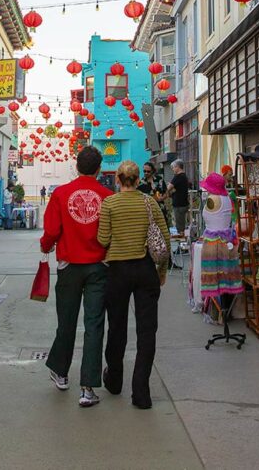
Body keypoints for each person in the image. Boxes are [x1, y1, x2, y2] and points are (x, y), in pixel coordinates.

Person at [41, 146, 113, 408]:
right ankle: (88, 387)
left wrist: (45, 244)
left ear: (76, 166)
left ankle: (61, 372)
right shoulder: (107, 196)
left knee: (67, 320)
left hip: (69, 265)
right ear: (99, 168)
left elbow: (51, 229)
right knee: (94, 324)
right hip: (98, 266)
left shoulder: (60, 194)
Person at [98, 160, 169, 410]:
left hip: (117, 271)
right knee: (147, 331)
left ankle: (115, 379)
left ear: (118, 179)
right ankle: (141, 392)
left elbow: (103, 238)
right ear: (139, 180)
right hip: (145, 269)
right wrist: (162, 271)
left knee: (116, 327)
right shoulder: (149, 202)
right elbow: (163, 239)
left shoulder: (109, 203)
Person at [198, 172, 242, 298]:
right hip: (227, 240)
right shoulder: (227, 198)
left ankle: (218, 309)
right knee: (226, 275)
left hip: (213, 243)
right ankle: (226, 307)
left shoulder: (212, 199)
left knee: (213, 276)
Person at [165, 159, 190, 236]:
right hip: (183, 202)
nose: (172, 169)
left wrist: (170, 187)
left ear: (178, 167)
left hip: (179, 204)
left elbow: (168, 188)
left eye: (173, 167)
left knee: (180, 226)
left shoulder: (177, 177)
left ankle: (181, 241)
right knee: (181, 223)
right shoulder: (184, 176)